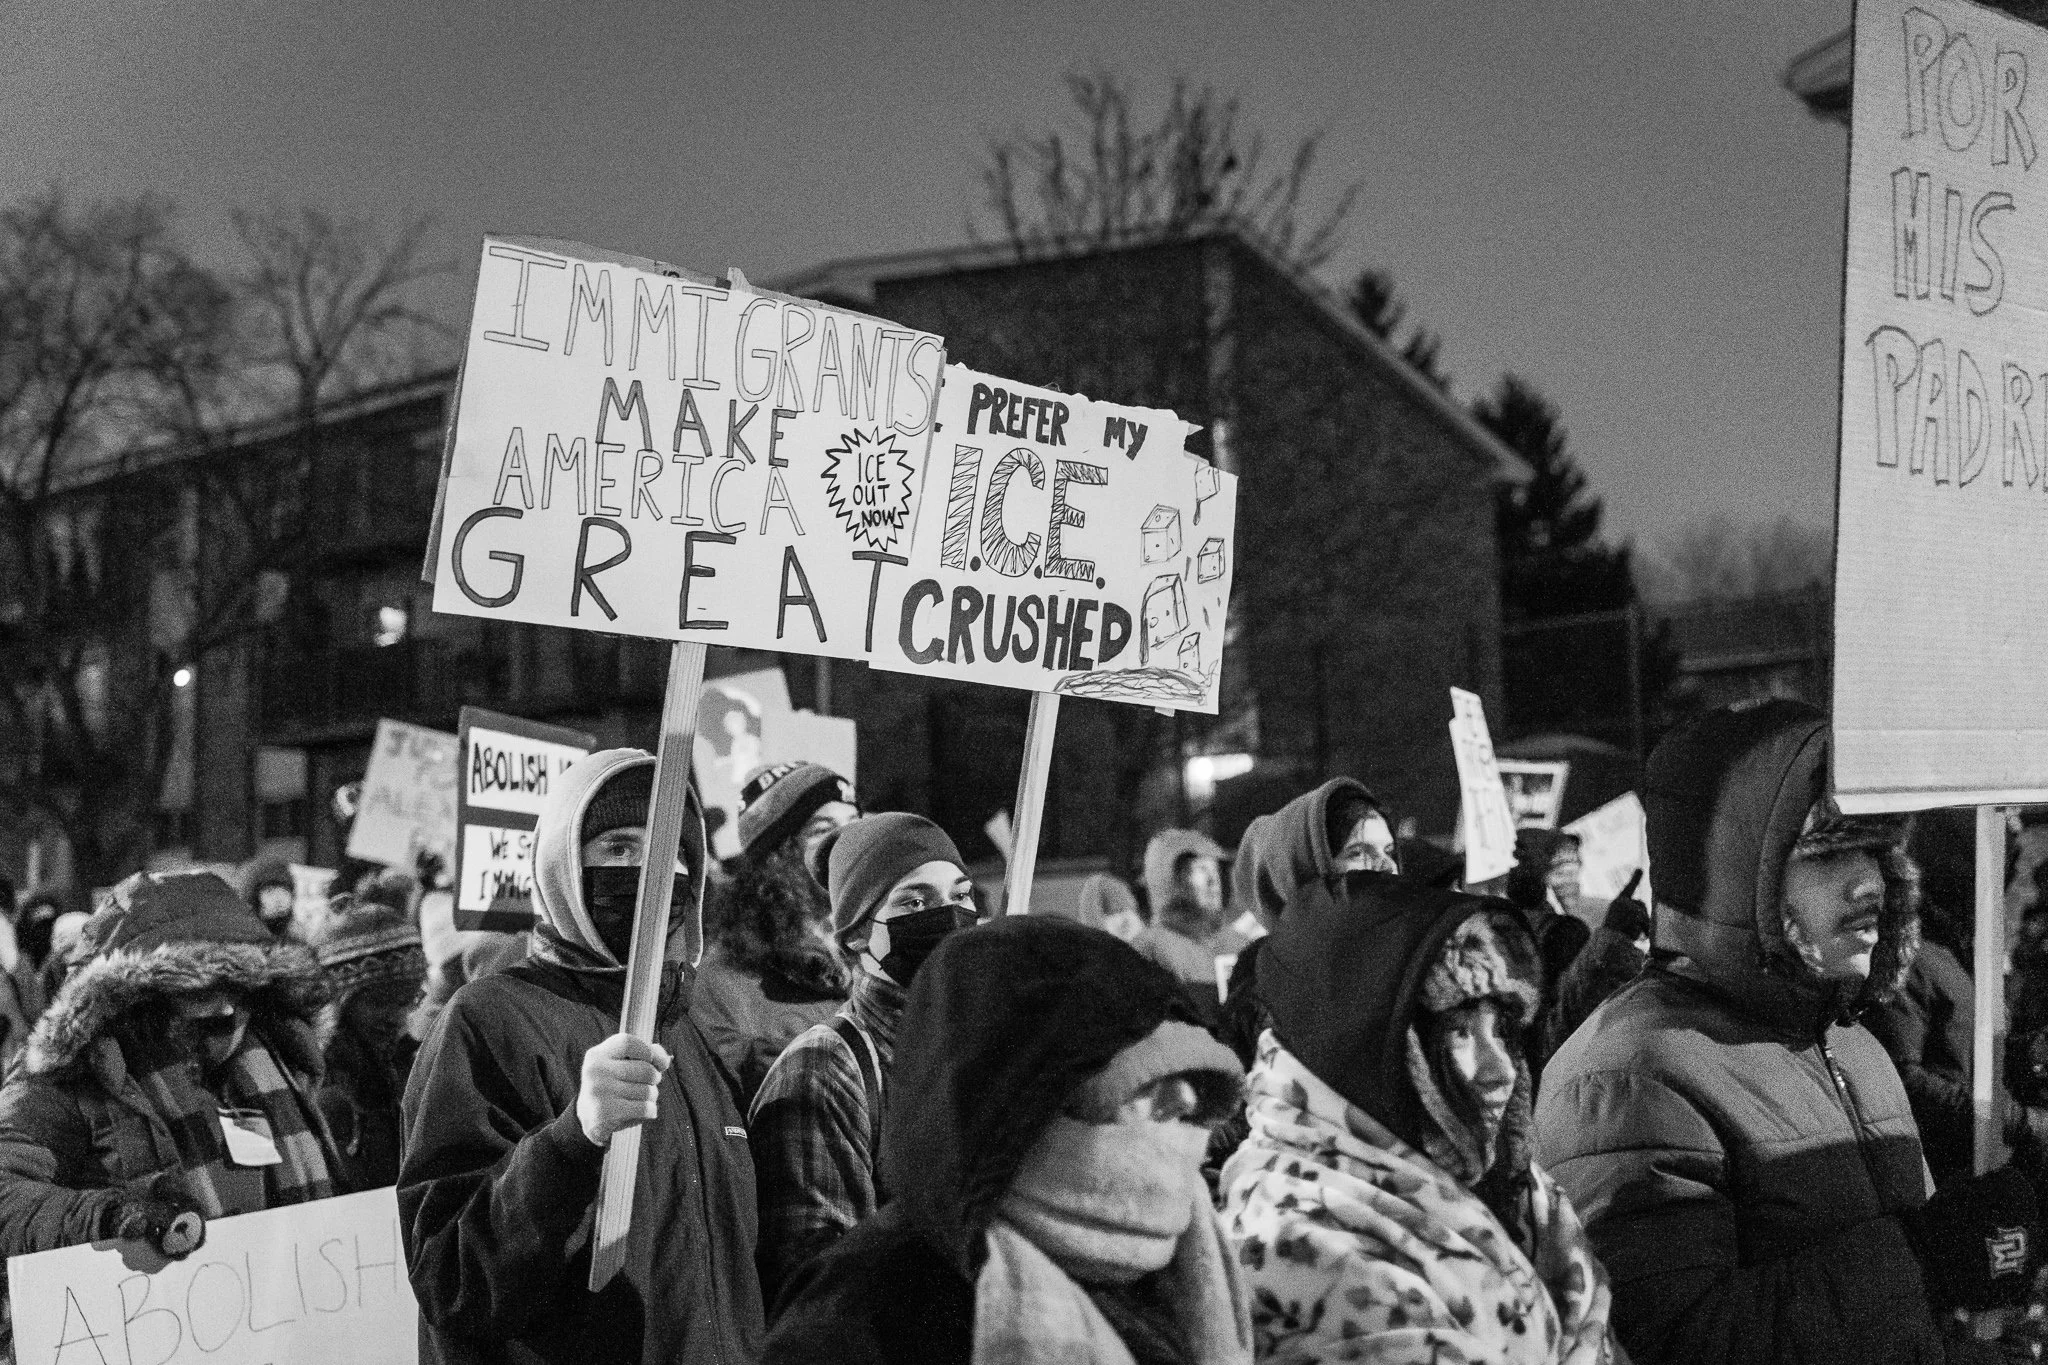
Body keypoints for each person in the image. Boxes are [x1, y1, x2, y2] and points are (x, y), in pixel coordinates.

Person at [1536, 700, 2038, 1365]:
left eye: (1874, 849)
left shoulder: (1854, 1046)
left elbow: (1912, 1337)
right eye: (1827, 855)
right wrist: (1927, 1259)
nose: (1870, 882)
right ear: (1742, 876)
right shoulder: (1629, 1074)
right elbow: (1675, 1343)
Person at [399, 748, 763, 1365]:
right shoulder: (490, 1021)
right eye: (620, 848)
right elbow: (451, 1280)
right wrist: (572, 1140)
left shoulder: (692, 1027)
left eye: (673, 852)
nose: (652, 871)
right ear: (563, 862)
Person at [764, 916, 1252, 1365]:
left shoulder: (1178, 1253)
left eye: (1195, 1077)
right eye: (1148, 1078)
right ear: (1035, 1100)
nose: (1187, 1099)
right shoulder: (866, 1312)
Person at [1221, 872, 1619, 1363]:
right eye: (1459, 1031)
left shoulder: (1522, 1194)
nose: (1501, 1070)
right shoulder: (1304, 1242)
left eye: (1503, 1030)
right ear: (1369, 1054)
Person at [0, 871, 338, 1264]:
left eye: (236, 985)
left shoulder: (280, 1050)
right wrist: (109, 1217)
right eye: (200, 988)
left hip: (291, 1284)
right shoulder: (77, 1069)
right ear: (139, 992)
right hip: (148, 1298)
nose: (226, 1008)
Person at [750, 812, 977, 1309]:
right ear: (855, 934)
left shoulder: (977, 1047)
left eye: (961, 896)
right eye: (914, 902)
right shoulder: (825, 1070)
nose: (948, 917)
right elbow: (822, 1293)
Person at [693, 762, 859, 1108]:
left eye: (854, 824)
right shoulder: (724, 981)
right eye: (823, 829)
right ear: (777, 855)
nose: (849, 841)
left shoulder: (875, 945)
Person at [310, 894, 428, 1191]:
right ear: (337, 1004)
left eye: (407, 1000)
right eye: (379, 1002)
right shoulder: (320, 1083)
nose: (396, 1018)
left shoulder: (412, 1065)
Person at [1132, 829, 1245, 1020]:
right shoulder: (1150, 949)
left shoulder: (1237, 944)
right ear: (1170, 880)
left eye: (1215, 869)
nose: (1213, 880)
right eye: (1201, 869)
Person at [241, 859, 299, 940]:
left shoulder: (298, 934)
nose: (278, 899)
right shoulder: (244, 933)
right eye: (270, 892)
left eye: (285, 891)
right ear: (256, 897)